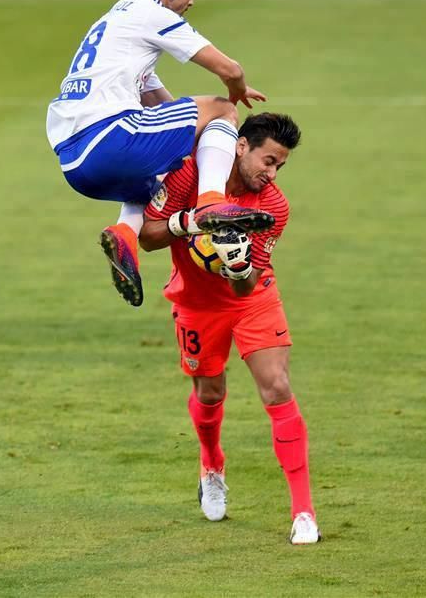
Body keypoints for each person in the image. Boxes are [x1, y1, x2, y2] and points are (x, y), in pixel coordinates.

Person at [45, 0, 273, 308]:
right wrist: (233, 96)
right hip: (108, 136)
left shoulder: (114, 18)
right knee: (222, 108)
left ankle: (124, 234)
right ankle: (211, 204)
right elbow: (229, 69)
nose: (191, 1)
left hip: (75, 163)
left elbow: (156, 96)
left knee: (163, 176)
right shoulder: (152, 14)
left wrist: (197, 137)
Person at [139, 112, 320, 545]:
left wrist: (236, 263)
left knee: (276, 385)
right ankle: (211, 464)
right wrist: (190, 223)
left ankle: (304, 511)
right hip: (196, 305)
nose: (272, 174)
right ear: (241, 146)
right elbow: (147, 235)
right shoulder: (188, 176)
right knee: (210, 392)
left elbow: (246, 285)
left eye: (280, 167)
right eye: (269, 161)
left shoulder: (273, 206)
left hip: (252, 299)